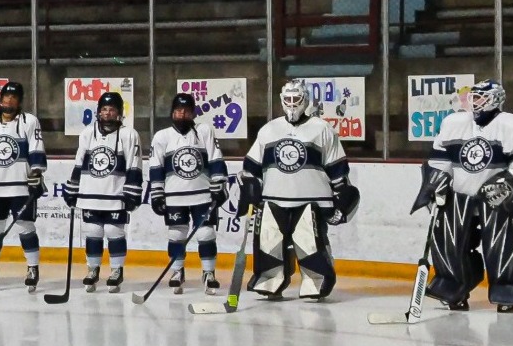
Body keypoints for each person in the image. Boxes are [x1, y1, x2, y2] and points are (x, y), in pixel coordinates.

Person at [423, 80, 513, 312]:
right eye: (472, 97)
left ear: (495, 99)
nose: (474, 102)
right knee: (447, 242)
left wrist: (506, 184)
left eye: (479, 98)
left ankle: (508, 292)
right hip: (459, 196)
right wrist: (436, 182)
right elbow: (439, 159)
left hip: (497, 197)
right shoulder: (453, 122)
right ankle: (453, 287)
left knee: (502, 245)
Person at [244, 80, 353, 300]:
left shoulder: (322, 129)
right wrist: (251, 186)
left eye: (296, 99)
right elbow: (251, 166)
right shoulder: (269, 130)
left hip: (311, 199)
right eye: (288, 100)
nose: (292, 104)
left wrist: (340, 195)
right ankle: (269, 281)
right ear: (281, 100)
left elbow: (337, 167)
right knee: (269, 240)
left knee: (309, 242)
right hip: (273, 198)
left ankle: (316, 283)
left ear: (305, 100)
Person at [147, 92, 228, 295]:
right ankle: (177, 271)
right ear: (172, 112)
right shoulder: (162, 136)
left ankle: (208, 273)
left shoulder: (204, 131)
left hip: (202, 194)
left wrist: (219, 185)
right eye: (178, 110)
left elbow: (216, 160)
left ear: (193, 113)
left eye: (186, 111)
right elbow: (155, 167)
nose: (182, 114)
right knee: (176, 235)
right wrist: (157, 193)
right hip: (174, 196)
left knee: (206, 234)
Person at [0, 81, 46, 291]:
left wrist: (36, 176)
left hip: (21, 186)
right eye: (6, 96)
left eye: (13, 97)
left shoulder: (29, 122)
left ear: (19, 101)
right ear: (0, 99)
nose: (9, 100)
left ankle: (32, 268)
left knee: (25, 228)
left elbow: (36, 150)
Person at [64, 91, 142, 292]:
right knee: (93, 232)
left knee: (114, 231)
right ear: (98, 112)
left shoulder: (129, 134)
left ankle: (116, 270)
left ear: (119, 113)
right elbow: (79, 162)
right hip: (90, 195)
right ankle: (93, 269)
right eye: (104, 109)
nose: (107, 113)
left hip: (116, 195)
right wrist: (72, 189)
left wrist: (132, 192)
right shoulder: (87, 134)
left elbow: (135, 165)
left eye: (112, 109)